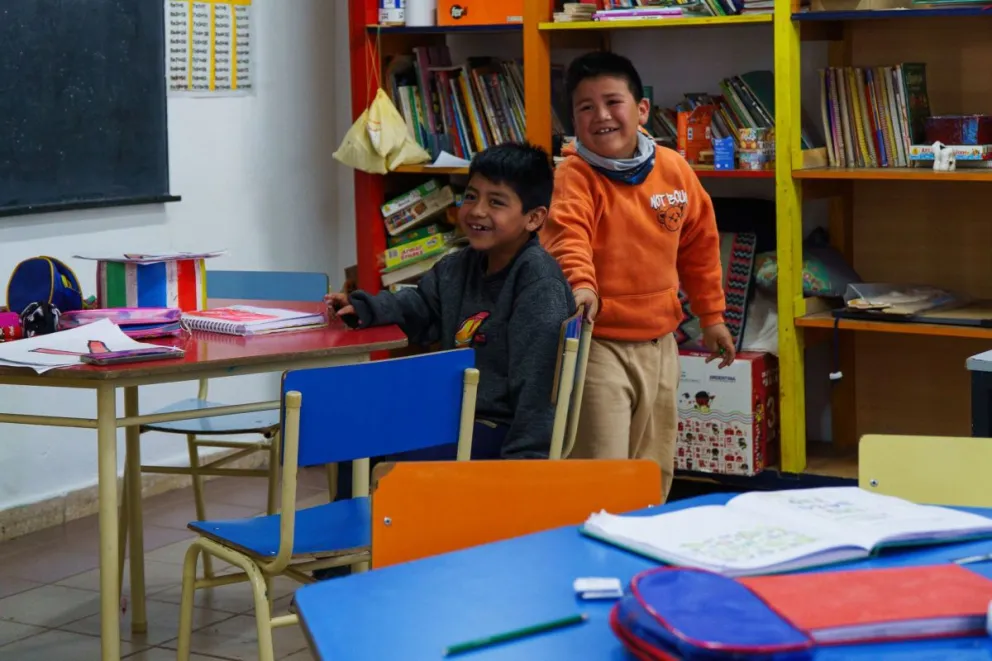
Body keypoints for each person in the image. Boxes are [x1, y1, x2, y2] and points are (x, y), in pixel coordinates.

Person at [541, 51, 736, 499]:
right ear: (574, 119)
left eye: (613, 102)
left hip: (661, 345)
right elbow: (567, 236)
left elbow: (700, 247)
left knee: (653, 470)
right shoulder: (574, 176)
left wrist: (711, 317)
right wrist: (581, 287)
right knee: (601, 472)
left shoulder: (673, 169)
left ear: (642, 109)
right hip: (598, 346)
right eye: (585, 107)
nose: (601, 116)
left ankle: (644, 542)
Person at [326, 142, 576, 460]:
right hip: (454, 414)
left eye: (496, 202)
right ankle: (364, 493)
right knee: (350, 438)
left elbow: (538, 388)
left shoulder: (539, 285)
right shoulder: (458, 265)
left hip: (499, 428)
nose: (477, 210)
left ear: (534, 218)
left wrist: (521, 467)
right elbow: (421, 306)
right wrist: (367, 308)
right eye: (470, 196)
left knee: (392, 456)